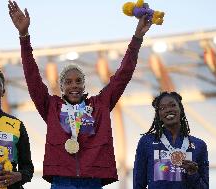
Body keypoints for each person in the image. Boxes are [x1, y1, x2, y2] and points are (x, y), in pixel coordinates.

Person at [8, 0, 151, 188]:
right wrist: (24, 36)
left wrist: (137, 39)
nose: (73, 85)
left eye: (78, 81)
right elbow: (32, 78)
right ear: (61, 87)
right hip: (61, 180)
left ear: (84, 85)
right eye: (68, 82)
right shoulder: (51, 107)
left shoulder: (100, 105)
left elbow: (122, 76)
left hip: (92, 179)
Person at [133, 91, 209, 189]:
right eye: (162, 108)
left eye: (172, 105)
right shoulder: (147, 142)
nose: (168, 110)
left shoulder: (199, 145)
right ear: (158, 115)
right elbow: (138, 183)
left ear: (180, 109)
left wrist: (193, 173)